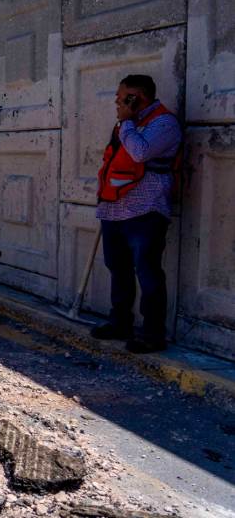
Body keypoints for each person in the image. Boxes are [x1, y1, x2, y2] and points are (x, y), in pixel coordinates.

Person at [91, 74, 182, 354]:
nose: (117, 102)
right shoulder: (126, 125)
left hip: (146, 210)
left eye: (122, 97)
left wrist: (127, 122)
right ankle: (120, 322)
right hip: (115, 208)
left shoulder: (164, 124)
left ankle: (152, 334)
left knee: (147, 271)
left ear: (136, 98)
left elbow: (140, 153)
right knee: (117, 268)